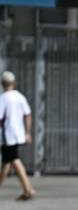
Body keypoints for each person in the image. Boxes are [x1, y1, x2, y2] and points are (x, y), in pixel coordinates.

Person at [0, 71, 35, 201]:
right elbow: (28, 115)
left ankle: (28, 189)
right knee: (7, 162)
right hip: (18, 134)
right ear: (14, 83)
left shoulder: (3, 98)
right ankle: (27, 189)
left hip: (7, 135)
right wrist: (27, 132)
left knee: (13, 159)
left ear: (2, 84)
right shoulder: (20, 97)